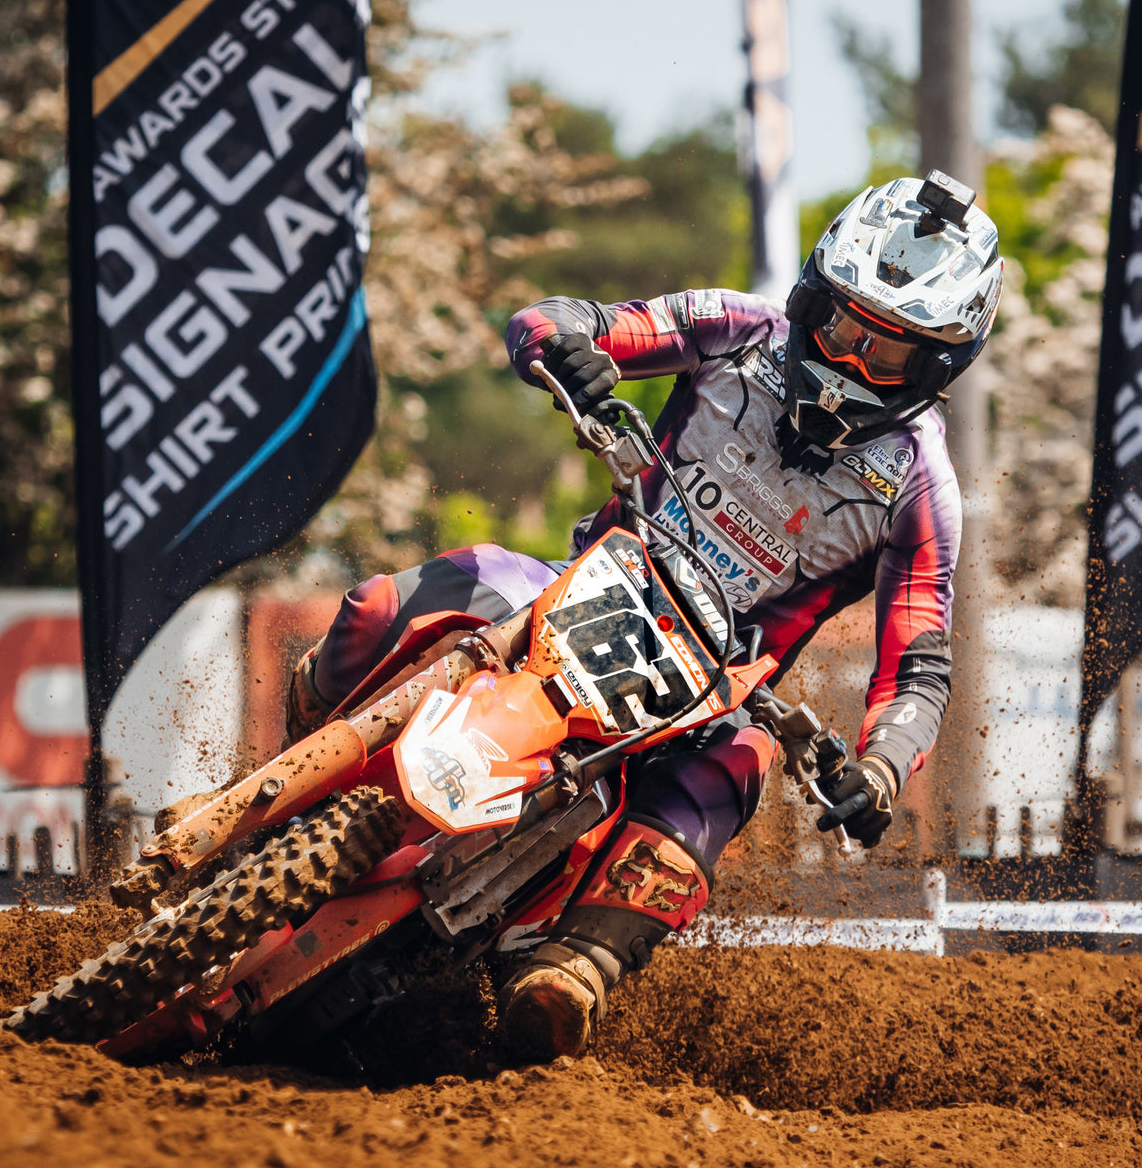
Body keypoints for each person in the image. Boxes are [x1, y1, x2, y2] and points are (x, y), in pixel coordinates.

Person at [282, 170, 1003, 1060]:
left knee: (739, 768)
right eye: (846, 325)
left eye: (886, 353)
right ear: (814, 292)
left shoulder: (923, 487)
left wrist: (883, 770)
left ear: (935, 366)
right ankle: (289, 772)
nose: (852, 359)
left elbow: (918, 665)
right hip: (578, 583)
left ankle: (573, 966)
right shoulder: (741, 326)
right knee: (381, 607)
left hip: (717, 692)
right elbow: (565, 320)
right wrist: (566, 347)